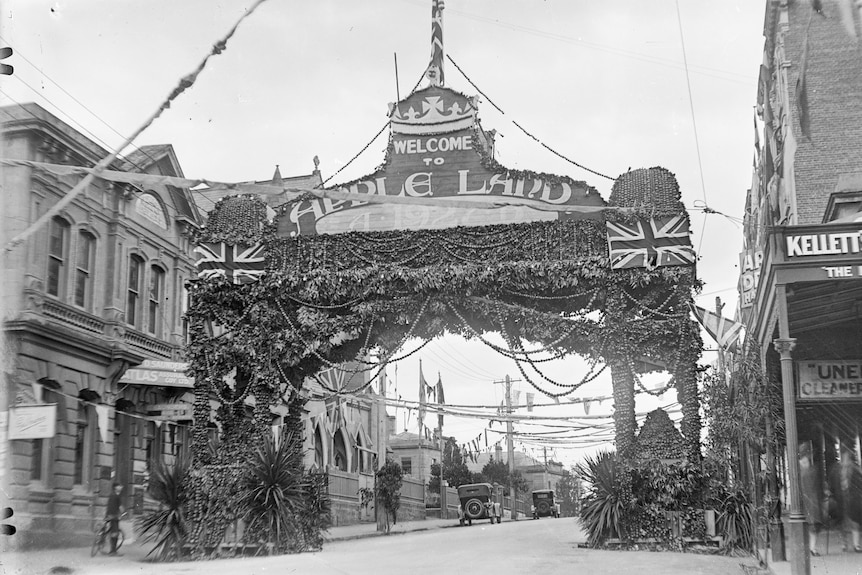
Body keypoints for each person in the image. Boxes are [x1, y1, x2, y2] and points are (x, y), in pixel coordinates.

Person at [829, 445, 862, 553]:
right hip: (840, 499)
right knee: (842, 523)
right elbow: (832, 484)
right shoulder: (836, 469)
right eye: (844, 456)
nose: (846, 458)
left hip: (853, 500)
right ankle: (844, 544)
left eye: (848, 456)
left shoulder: (856, 469)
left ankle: (856, 545)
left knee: (855, 522)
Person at [798, 443, 824, 555]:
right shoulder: (811, 467)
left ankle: (811, 547)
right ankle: (812, 548)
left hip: (806, 498)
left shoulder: (800, 466)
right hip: (811, 498)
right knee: (813, 524)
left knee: (810, 524)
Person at [105, 483, 124, 556]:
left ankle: (112, 550)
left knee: (113, 532)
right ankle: (113, 551)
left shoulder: (112, 495)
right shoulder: (116, 496)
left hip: (109, 515)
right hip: (114, 516)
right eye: (119, 486)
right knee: (115, 533)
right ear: (116, 487)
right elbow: (120, 507)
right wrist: (122, 514)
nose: (121, 487)